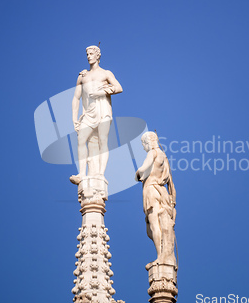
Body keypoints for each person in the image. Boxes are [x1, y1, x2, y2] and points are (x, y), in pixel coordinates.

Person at [69, 46, 123, 184]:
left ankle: (100, 174)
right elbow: (76, 98)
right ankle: (81, 173)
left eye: (91, 54)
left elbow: (119, 88)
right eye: (87, 54)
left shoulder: (105, 73)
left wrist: (101, 92)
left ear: (98, 55)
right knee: (81, 139)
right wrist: (74, 119)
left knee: (102, 140)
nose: (88, 56)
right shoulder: (82, 76)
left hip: (102, 109)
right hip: (88, 112)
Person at [135, 132, 177, 268]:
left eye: (143, 144)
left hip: (151, 190)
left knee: (154, 225)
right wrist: (172, 202)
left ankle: (161, 256)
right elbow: (171, 184)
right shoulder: (164, 157)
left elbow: (143, 168)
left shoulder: (152, 153)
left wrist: (137, 174)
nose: (143, 148)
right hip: (162, 192)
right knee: (158, 225)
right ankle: (165, 253)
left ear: (148, 142)